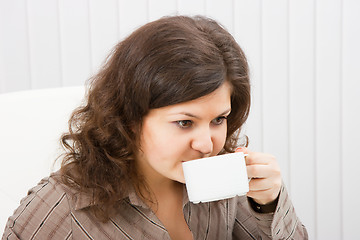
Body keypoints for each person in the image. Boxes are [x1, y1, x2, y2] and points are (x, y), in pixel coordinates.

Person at [2, 15, 308, 240]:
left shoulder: (223, 181)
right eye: (184, 123)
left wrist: (268, 203)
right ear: (130, 118)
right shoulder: (63, 208)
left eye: (218, 119)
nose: (206, 144)